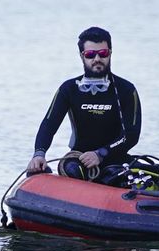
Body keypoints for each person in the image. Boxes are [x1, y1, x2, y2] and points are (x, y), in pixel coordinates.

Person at [28, 27, 142, 183]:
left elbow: (131, 135)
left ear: (110, 53)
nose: (97, 59)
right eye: (90, 54)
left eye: (102, 54)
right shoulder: (68, 89)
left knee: (133, 177)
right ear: (82, 56)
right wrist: (39, 154)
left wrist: (101, 153)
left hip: (115, 159)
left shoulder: (126, 90)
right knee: (71, 170)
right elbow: (49, 124)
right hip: (79, 160)